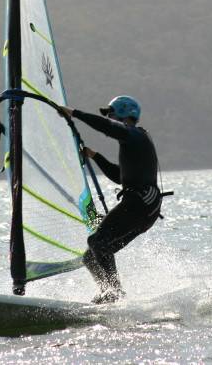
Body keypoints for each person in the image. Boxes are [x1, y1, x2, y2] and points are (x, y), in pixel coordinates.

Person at [58, 95, 162, 304]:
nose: (109, 118)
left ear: (124, 113)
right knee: (91, 255)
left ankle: (114, 292)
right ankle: (110, 294)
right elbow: (119, 176)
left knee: (98, 242)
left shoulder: (134, 135)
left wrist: (74, 113)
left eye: (111, 114)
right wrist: (95, 156)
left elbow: (108, 127)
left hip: (142, 203)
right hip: (141, 205)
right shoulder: (132, 139)